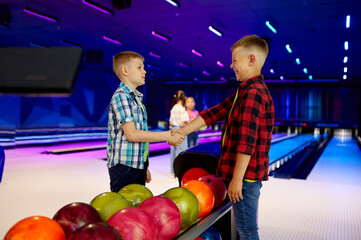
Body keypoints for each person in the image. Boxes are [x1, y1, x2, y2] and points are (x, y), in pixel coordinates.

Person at [172, 35, 274, 239]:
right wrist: (183, 131)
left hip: (245, 177)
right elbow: (214, 112)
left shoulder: (253, 93)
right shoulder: (244, 91)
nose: (231, 65)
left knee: (246, 229)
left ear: (251, 60)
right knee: (245, 227)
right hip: (244, 176)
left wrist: (237, 180)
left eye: (235, 60)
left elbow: (247, 142)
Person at [107, 51, 184, 193]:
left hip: (136, 166)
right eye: (139, 67)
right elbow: (133, 135)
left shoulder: (136, 98)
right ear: (125, 71)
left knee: (137, 210)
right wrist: (167, 135)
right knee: (123, 211)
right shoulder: (121, 97)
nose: (144, 71)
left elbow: (139, 140)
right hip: (124, 167)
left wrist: (143, 166)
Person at [169, 90, 189, 177]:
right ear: (184, 98)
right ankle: (179, 173)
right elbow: (182, 123)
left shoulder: (174, 108)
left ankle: (172, 173)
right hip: (180, 131)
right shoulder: (182, 109)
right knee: (181, 152)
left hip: (172, 131)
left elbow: (170, 122)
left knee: (173, 153)